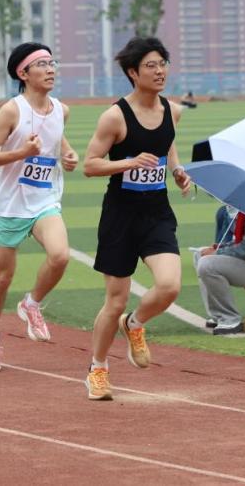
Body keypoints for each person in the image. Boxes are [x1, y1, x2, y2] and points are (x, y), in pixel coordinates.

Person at [82, 36, 192, 401]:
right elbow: (90, 165)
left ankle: (135, 324)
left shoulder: (172, 111)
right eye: (151, 66)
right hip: (121, 216)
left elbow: (167, 143)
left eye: (163, 64)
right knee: (115, 300)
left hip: (157, 212)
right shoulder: (115, 116)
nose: (160, 71)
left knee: (170, 285)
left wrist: (177, 170)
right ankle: (98, 369)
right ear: (133, 72)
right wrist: (128, 162)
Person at [0, 42, 79, 372]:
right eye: (42, 64)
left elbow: (57, 140)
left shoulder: (61, 110)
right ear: (23, 73)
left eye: (52, 63)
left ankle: (31, 303)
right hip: (10, 205)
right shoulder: (12, 111)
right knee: (3, 278)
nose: (50, 69)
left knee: (60, 255)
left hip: (44, 200)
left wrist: (69, 155)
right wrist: (21, 153)